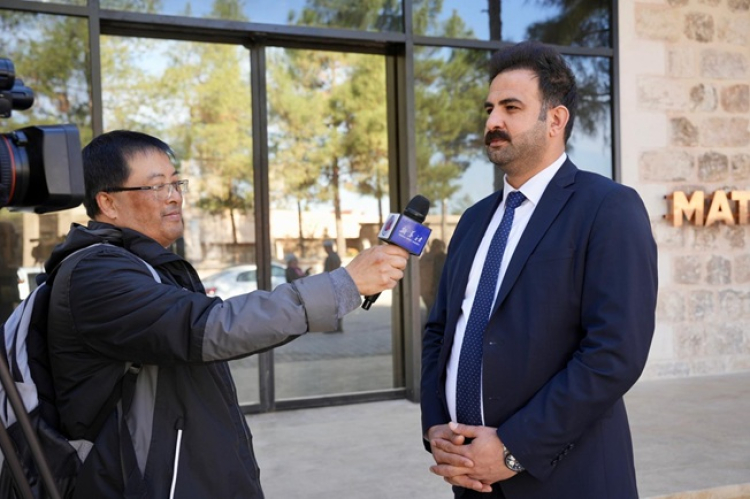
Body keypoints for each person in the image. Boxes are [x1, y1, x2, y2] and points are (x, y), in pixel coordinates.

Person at [43, 130, 409, 498]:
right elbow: (210, 327)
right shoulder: (96, 275)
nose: (174, 196)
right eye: (156, 186)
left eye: (176, 183)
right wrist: (342, 285)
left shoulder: (146, 266)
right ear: (108, 202)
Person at [420, 41, 658, 499]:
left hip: (568, 480)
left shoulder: (608, 208)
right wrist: (435, 427)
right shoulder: (473, 221)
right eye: (489, 109)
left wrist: (513, 448)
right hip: (470, 479)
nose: (493, 121)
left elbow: (614, 352)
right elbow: (439, 332)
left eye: (511, 108)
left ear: (555, 119)